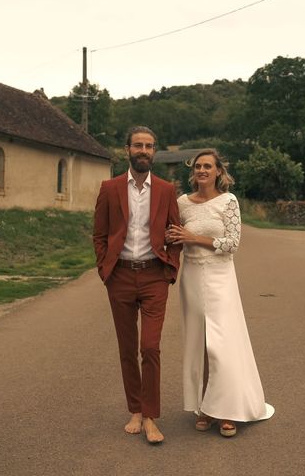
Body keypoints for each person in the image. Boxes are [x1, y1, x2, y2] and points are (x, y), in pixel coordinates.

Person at [166, 149, 274, 437]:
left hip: (220, 276)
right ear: (193, 171)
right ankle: (205, 408)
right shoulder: (182, 203)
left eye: (208, 166)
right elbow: (173, 234)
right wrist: (173, 238)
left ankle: (228, 411)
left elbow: (232, 244)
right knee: (199, 342)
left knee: (222, 342)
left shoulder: (229, 201)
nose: (202, 170)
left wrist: (194, 238)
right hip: (191, 276)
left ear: (218, 172)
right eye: (198, 166)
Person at [92, 126, 182, 444]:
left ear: (154, 151)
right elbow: (100, 234)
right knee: (128, 349)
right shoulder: (110, 187)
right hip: (121, 277)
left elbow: (175, 232)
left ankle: (151, 416)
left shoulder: (167, 189)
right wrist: (106, 270)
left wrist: (171, 268)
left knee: (150, 348)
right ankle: (135, 409)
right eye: (138, 145)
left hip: (155, 276)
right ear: (127, 149)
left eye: (149, 146)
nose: (144, 150)